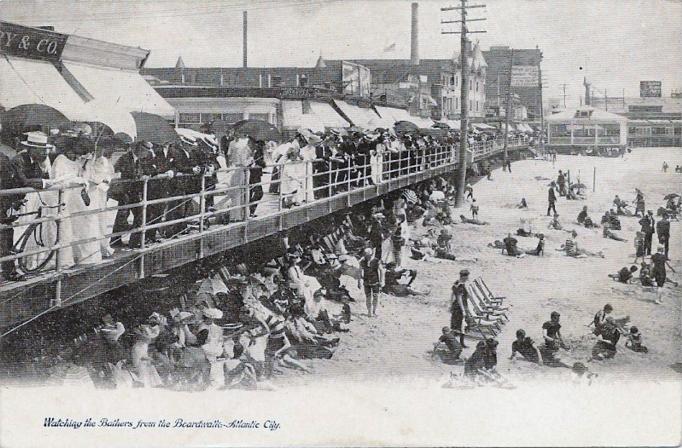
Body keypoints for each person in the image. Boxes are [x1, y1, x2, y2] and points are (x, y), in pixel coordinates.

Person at [0, 133, 57, 281]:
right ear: (31, 149)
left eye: (45, 150)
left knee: (7, 234)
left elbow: (42, 178)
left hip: (15, 202)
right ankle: (9, 271)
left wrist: (44, 169)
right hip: (6, 201)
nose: (44, 153)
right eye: (41, 150)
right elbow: (24, 181)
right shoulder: (18, 160)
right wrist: (43, 182)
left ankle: (9, 269)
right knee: (5, 234)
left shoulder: (35, 161)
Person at [359, 247, 384, 317]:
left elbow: (381, 270)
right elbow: (359, 271)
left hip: (375, 281)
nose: (366, 257)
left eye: (368, 255)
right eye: (365, 255)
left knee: (375, 296)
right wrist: (359, 281)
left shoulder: (376, 261)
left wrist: (381, 281)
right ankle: (369, 311)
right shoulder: (363, 261)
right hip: (366, 281)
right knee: (368, 297)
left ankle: (374, 311)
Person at [450, 269, 471, 349]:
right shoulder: (460, 286)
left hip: (455, 306)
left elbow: (452, 295)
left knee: (455, 325)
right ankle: (459, 343)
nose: (467, 278)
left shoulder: (456, 283)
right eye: (467, 277)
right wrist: (463, 310)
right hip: (459, 307)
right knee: (461, 325)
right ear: (463, 276)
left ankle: (455, 342)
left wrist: (450, 304)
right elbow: (459, 299)